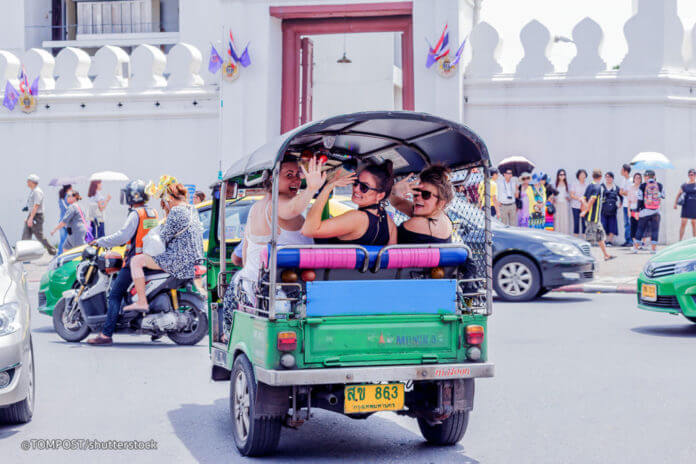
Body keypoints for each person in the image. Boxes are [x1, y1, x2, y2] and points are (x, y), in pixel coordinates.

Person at [86, 180, 159, 345]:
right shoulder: (153, 212)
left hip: (135, 260)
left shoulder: (136, 214)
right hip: (151, 258)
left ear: (133, 195)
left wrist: (100, 241)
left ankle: (106, 334)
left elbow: (123, 236)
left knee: (115, 294)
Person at [124, 181, 204, 311]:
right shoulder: (191, 209)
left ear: (170, 198)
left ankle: (142, 302)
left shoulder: (177, 211)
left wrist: (166, 213)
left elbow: (163, 237)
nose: (164, 203)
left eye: (164, 200)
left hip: (178, 261)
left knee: (136, 261)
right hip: (194, 260)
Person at [302, 160, 397, 245]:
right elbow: (391, 258)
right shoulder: (390, 223)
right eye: (356, 182)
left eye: (364, 187)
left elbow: (308, 230)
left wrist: (327, 188)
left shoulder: (357, 218)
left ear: (380, 195)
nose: (356, 189)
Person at [390, 164, 454, 243]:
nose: (417, 197)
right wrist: (395, 191)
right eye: (416, 191)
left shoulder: (416, 224)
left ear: (441, 203)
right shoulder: (442, 218)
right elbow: (398, 203)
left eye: (426, 194)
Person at [580, 169, 615, 261]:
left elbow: (582, 199)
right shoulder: (598, 187)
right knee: (589, 240)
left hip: (595, 219)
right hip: (592, 218)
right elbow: (592, 200)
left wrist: (583, 210)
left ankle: (606, 255)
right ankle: (584, 258)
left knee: (600, 237)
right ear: (600, 177)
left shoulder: (589, 186)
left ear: (592, 176)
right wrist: (586, 211)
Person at [22, 174, 56, 255]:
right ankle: (24, 254)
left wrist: (31, 218)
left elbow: (36, 206)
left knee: (39, 236)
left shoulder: (37, 191)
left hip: (37, 217)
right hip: (32, 215)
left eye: (28, 181)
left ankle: (52, 250)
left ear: (32, 182)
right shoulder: (33, 191)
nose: (27, 182)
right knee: (26, 235)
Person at [632, 170, 664, 254]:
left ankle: (635, 248)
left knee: (640, 229)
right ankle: (653, 249)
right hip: (656, 211)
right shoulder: (660, 185)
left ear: (646, 177)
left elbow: (640, 199)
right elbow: (663, 196)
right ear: (654, 176)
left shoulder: (642, 186)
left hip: (645, 211)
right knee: (655, 230)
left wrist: (637, 211)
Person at [674, 168, 696, 240]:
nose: (691, 176)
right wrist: (675, 204)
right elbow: (678, 194)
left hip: (694, 206)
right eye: (689, 175)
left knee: (694, 223)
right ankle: (680, 240)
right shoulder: (684, 185)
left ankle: (694, 242)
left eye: (692, 174)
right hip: (686, 205)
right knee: (683, 223)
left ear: (695, 175)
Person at [600, 172, 620, 245]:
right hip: (604, 209)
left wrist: (619, 205)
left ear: (612, 178)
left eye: (610, 177)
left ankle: (610, 241)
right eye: (607, 177)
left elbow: (621, 197)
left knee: (612, 225)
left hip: (613, 210)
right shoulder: (602, 186)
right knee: (603, 225)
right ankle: (604, 241)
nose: (608, 178)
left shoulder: (616, 187)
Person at [617, 164, 633, 246]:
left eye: (621, 169)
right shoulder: (623, 180)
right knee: (626, 223)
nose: (620, 171)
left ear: (625, 171)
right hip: (625, 204)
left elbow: (629, 193)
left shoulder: (631, 180)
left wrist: (624, 192)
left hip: (630, 205)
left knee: (630, 223)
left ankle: (631, 241)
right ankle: (627, 240)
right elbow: (620, 192)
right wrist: (624, 192)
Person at [570, 169, 588, 237]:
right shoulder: (574, 184)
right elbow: (571, 195)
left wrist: (584, 200)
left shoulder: (587, 185)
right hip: (575, 206)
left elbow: (588, 195)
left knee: (584, 223)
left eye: (584, 174)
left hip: (584, 207)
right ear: (578, 175)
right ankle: (576, 239)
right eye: (581, 174)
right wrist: (579, 198)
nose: (582, 176)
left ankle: (585, 239)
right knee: (576, 223)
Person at [554, 169, 571, 235]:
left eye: (564, 174)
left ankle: (565, 235)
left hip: (564, 204)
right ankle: (557, 235)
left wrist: (568, 198)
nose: (562, 176)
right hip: (557, 204)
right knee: (557, 220)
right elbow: (552, 195)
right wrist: (553, 199)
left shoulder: (567, 185)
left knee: (564, 220)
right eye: (561, 174)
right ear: (558, 176)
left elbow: (570, 196)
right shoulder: (555, 184)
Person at [628, 173, 643, 245]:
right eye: (636, 178)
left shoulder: (642, 187)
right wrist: (628, 210)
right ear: (633, 179)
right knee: (633, 226)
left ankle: (641, 243)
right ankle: (635, 243)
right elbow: (629, 200)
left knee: (641, 226)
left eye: (639, 178)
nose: (637, 179)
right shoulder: (631, 187)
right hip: (633, 208)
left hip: (641, 209)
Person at [57, 184, 71, 255]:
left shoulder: (61, 198)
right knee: (68, 241)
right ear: (69, 188)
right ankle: (64, 255)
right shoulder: (68, 197)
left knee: (62, 240)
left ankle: (59, 255)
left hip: (61, 221)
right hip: (67, 222)